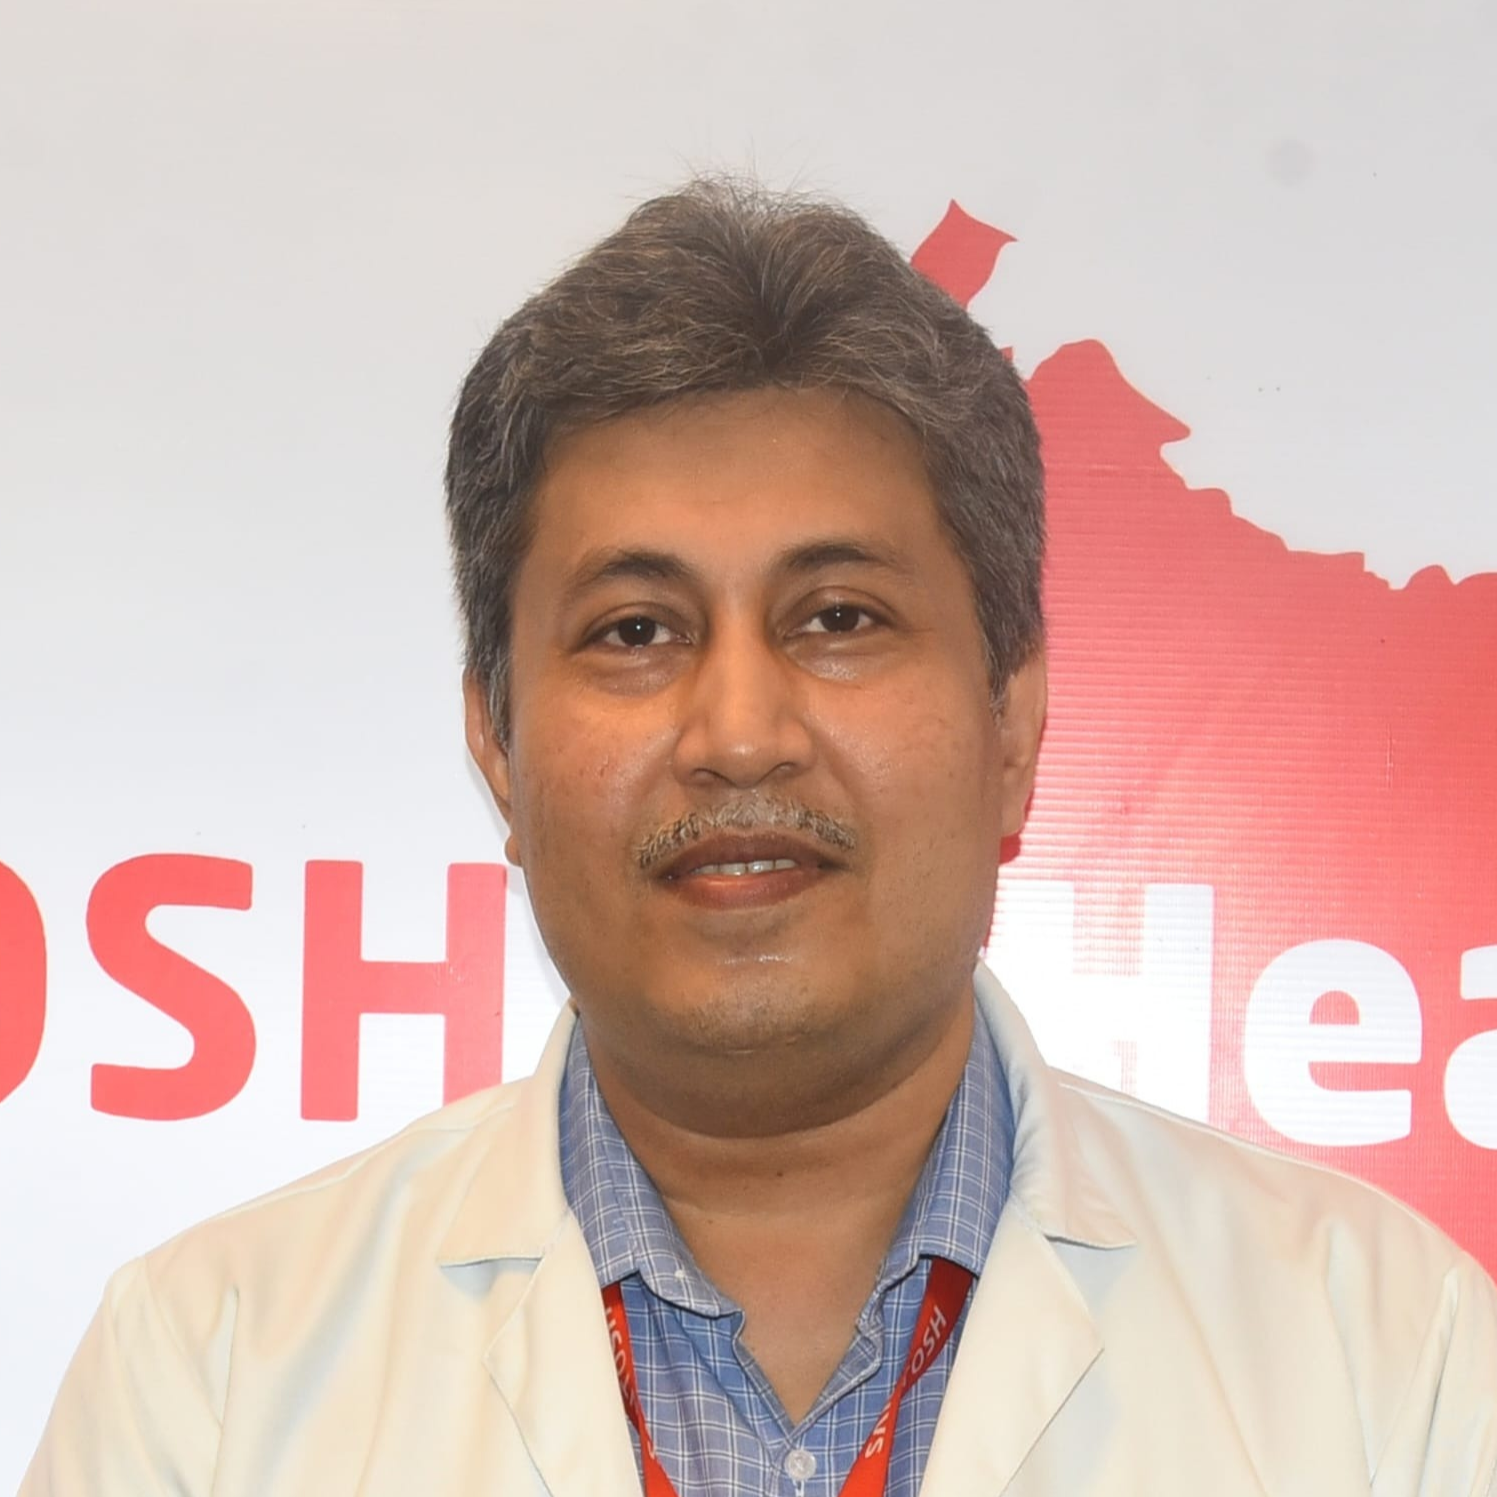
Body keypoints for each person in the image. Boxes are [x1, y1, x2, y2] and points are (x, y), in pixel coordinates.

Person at [22, 178, 1497, 1497]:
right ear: (496, 740)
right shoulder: (211, 1380)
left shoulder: (1386, 1360)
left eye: (839, 617)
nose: (738, 730)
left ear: (1011, 721)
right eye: (635, 630)